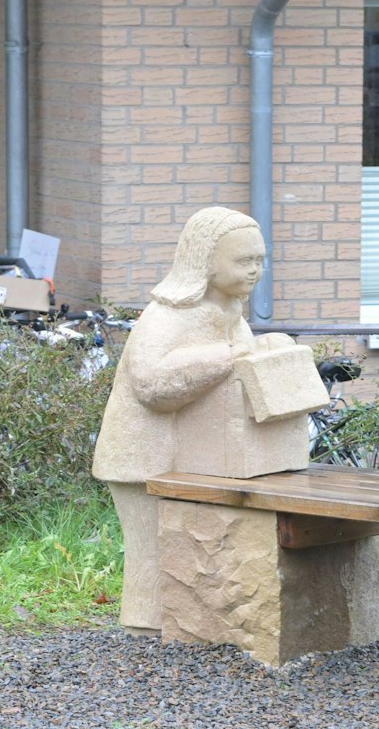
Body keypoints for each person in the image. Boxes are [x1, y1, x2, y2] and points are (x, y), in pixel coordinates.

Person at [91, 207, 297, 635]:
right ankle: (146, 632)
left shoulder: (230, 312)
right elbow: (150, 382)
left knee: (192, 552)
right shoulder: (169, 315)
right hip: (143, 455)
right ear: (205, 260)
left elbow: (235, 370)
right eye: (244, 261)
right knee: (151, 554)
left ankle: (189, 627)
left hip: (194, 454)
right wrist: (232, 356)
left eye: (260, 260)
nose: (255, 270)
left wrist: (267, 349)